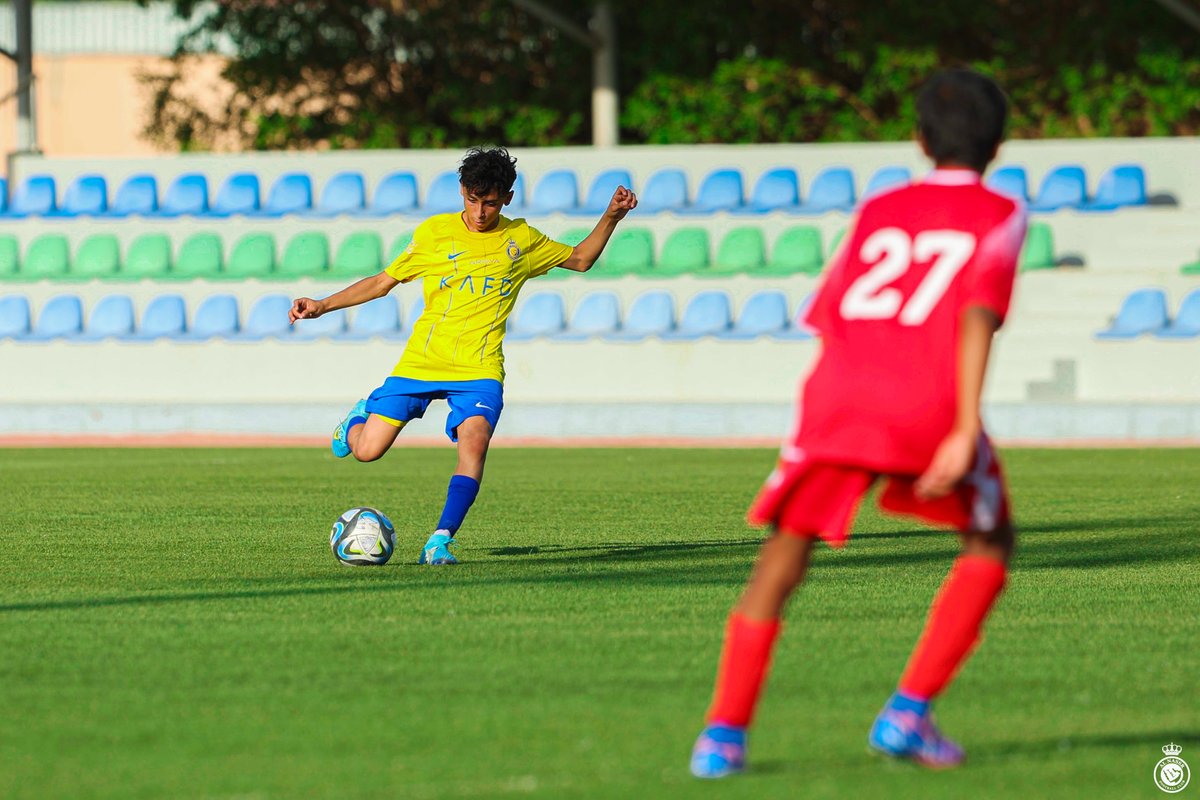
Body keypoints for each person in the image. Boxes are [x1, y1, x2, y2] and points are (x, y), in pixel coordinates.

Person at [689, 68, 1026, 777]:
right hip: (926, 399)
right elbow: (975, 315)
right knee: (992, 541)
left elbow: (831, 311)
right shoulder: (1001, 213)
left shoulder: (881, 207)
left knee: (784, 556)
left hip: (839, 395)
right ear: (999, 145)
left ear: (919, 140)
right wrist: (964, 425)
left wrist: (826, 412)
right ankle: (908, 713)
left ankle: (722, 737)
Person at [290, 147, 637, 565]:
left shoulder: (520, 239)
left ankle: (439, 541)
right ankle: (359, 416)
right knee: (367, 451)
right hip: (422, 362)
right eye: (472, 200)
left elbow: (580, 260)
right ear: (461, 192)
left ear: (506, 198)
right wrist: (322, 305)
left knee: (475, 443)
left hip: (479, 368)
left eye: (489, 202)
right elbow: (382, 282)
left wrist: (612, 217)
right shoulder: (434, 233)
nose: (479, 211)